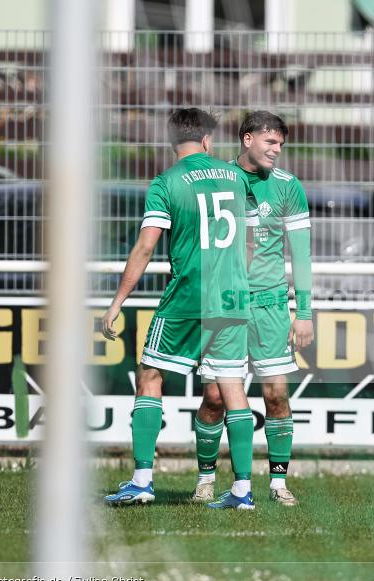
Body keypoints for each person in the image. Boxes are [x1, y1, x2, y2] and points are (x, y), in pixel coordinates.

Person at [101, 108, 258, 509]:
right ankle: (242, 490)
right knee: (232, 388)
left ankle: (142, 481)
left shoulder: (167, 182)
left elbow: (145, 246)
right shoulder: (236, 177)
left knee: (150, 375)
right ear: (207, 140)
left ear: (172, 142)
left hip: (188, 295)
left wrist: (117, 302)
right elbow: (251, 242)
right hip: (233, 297)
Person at [191, 111, 314, 508]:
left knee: (276, 395)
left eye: (281, 144)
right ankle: (206, 478)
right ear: (247, 139)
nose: (277, 150)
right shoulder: (217, 181)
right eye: (270, 142)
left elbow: (301, 255)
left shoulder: (287, 187)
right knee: (215, 397)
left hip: (271, 306)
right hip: (224, 306)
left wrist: (304, 312)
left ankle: (278, 483)